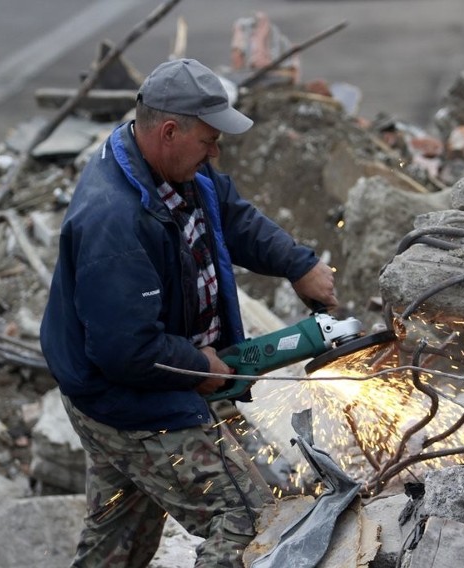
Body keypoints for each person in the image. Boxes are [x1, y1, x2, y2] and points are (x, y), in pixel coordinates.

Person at [39, 58, 338, 567]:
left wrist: (299, 265)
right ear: (171, 131)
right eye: (208, 141)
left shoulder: (180, 172)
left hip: (141, 384)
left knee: (119, 537)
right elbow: (125, 350)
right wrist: (200, 367)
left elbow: (233, 217)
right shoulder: (114, 220)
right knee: (249, 522)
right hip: (128, 400)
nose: (215, 152)